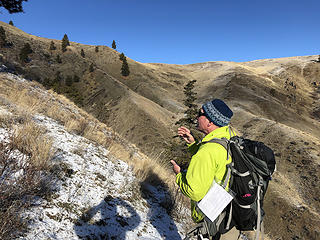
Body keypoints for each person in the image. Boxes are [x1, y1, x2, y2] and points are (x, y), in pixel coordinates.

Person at [171, 98, 238, 240]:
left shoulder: (207, 151)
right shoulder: (229, 137)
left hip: (212, 221)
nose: (196, 116)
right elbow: (216, 164)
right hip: (230, 217)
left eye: (200, 113)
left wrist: (178, 175)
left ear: (210, 121)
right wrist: (194, 145)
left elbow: (194, 192)